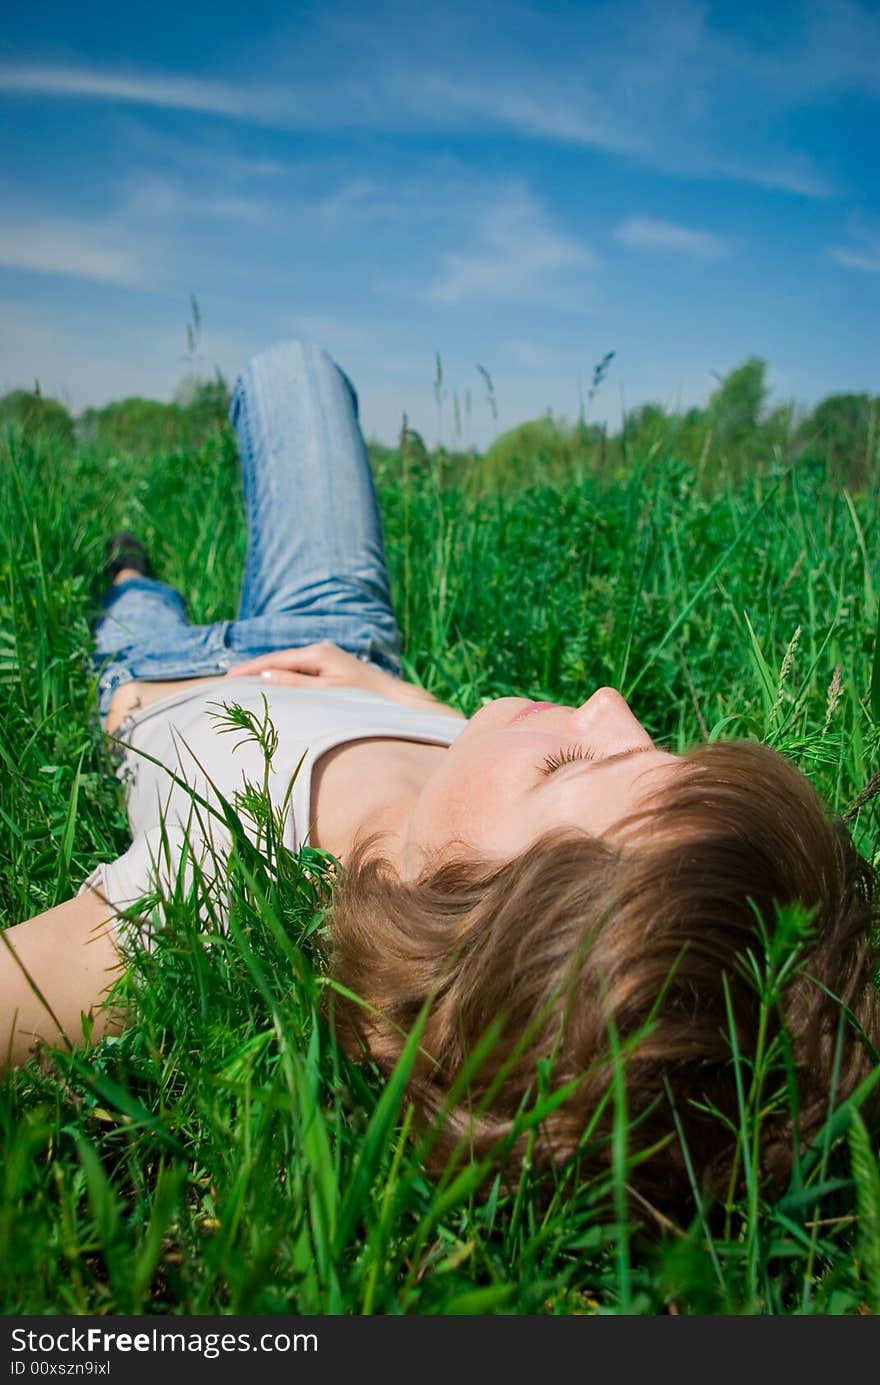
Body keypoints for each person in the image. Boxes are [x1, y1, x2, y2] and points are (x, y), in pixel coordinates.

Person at [2, 339, 878, 1213]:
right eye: (656, 746)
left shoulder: (224, 885)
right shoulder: (486, 810)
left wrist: (150, 679)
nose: (609, 701)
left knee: (135, 610)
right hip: (339, 635)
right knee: (297, 372)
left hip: (166, 672)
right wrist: (389, 688)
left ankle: (130, 579)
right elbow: (469, 743)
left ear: (451, 921)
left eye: (573, 759)